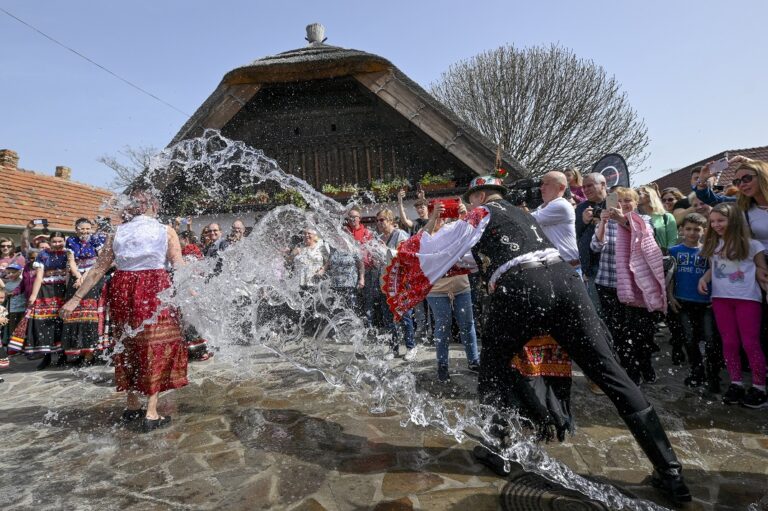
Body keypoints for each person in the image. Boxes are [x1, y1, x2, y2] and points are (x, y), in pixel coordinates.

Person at [382, 175, 691, 503]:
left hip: (524, 286)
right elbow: (471, 260)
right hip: (566, 281)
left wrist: (407, 254)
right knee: (610, 372)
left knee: (493, 367)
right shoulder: (525, 215)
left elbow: (434, 249)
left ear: (481, 196)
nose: (469, 205)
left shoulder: (482, 214)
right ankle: (671, 472)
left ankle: (498, 451)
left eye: (471, 199)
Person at [60, 190, 188, 432]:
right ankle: (151, 412)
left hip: (122, 288)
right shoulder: (165, 230)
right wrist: (193, 290)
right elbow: (179, 265)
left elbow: (98, 269)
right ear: (153, 207)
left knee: (127, 343)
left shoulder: (116, 232)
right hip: (155, 288)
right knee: (155, 345)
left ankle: (131, 405)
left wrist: (75, 299)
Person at [592, 187, 666, 385]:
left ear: (635, 203)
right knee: (617, 331)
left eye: (627, 201)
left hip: (637, 286)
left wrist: (622, 220)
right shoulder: (606, 221)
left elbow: (643, 238)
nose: (623, 205)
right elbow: (595, 246)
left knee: (641, 331)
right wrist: (604, 223)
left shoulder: (644, 221)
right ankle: (630, 370)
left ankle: (645, 363)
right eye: (619, 201)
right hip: (608, 283)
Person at [698, 203, 768, 408]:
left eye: (721, 220)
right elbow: (715, 268)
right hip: (721, 299)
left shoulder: (753, 245)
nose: (716, 225)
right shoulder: (714, 244)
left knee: (750, 343)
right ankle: (736, 382)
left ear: (734, 220)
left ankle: (759, 387)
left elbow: (762, 271)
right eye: (713, 221)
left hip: (748, 299)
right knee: (729, 343)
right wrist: (704, 278)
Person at [422, 203, 480, 382]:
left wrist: (465, 214)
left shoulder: (453, 228)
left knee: (467, 324)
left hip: (461, 285)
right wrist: (432, 219)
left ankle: (474, 361)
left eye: (443, 213)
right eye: (437, 213)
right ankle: (443, 366)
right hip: (437, 289)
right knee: (442, 326)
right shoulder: (427, 232)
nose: (442, 217)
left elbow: (471, 231)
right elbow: (420, 239)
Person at [668, 213, 721, 392]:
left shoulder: (709, 250)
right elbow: (670, 277)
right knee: (689, 340)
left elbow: (717, 274)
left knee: (710, 340)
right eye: (688, 229)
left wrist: (716, 296)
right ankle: (696, 372)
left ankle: (713, 376)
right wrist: (670, 297)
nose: (692, 233)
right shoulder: (673, 251)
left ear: (704, 231)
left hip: (706, 303)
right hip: (682, 302)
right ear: (682, 230)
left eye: (696, 229)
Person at [8, 232, 69, 369]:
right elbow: (39, 277)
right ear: (50, 241)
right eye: (54, 241)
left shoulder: (68, 253)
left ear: (64, 241)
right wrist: (33, 296)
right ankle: (47, 356)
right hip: (46, 292)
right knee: (44, 324)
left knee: (61, 323)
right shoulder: (43, 254)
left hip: (63, 291)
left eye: (60, 241)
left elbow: (69, 274)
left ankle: (62, 356)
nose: (57, 244)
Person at [61, 218, 106, 364]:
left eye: (87, 229)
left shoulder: (96, 239)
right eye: (82, 229)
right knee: (74, 312)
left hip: (93, 276)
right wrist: (79, 277)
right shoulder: (71, 241)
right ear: (76, 229)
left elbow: (100, 261)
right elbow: (71, 261)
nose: (85, 232)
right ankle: (78, 349)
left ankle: (90, 352)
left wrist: (85, 277)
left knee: (90, 313)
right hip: (77, 276)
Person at [375, 208, 415, 360]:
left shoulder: (400, 235)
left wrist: (385, 250)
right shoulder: (380, 237)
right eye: (377, 220)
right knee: (388, 318)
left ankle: (411, 347)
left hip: (400, 283)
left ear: (390, 220)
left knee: (405, 316)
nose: (379, 223)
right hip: (385, 282)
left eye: (382, 220)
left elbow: (405, 256)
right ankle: (393, 348)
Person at [530, 171, 580, 274]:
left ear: (561, 188)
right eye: (542, 184)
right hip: (551, 267)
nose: (541, 188)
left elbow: (527, 219)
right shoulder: (542, 207)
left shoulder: (562, 205)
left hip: (568, 268)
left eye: (546, 184)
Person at [574, 173, 607, 310]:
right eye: (583, 187)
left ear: (603, 185)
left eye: (590, 185)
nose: (586, 189)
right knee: (597, 309)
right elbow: (576, 233)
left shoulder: (616, 201)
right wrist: (583, 221)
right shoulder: (582, 207)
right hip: (590, 266)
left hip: (610, 264)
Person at [344, 207, 377, 326]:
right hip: (350, 271)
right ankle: (354, 325)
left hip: (367, 269)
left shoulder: (367, 233)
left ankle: (369, 325)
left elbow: (373, 251)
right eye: (350, 217)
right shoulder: (344, 232)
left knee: (368, 298)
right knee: (352, 299)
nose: (352, 219)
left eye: (355, 217)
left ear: (360, 218)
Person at [637, 185, 678, 254]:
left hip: (663, 258)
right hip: (642, 259)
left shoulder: (666, 217)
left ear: (649, 196)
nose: (635, 195)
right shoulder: (636, 218)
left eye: (639, 193)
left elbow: (672, 241)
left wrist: (666, 255)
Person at [1, 263, 26, 348]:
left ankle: (22, 345)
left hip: (23, 309)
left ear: (20, 272)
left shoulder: (23, 282)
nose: (10, 274)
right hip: (12, 310)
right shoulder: (8, 285)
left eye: (13, 272)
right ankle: (13, 346)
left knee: (22, 328)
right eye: (8, 273)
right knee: (12, 328)